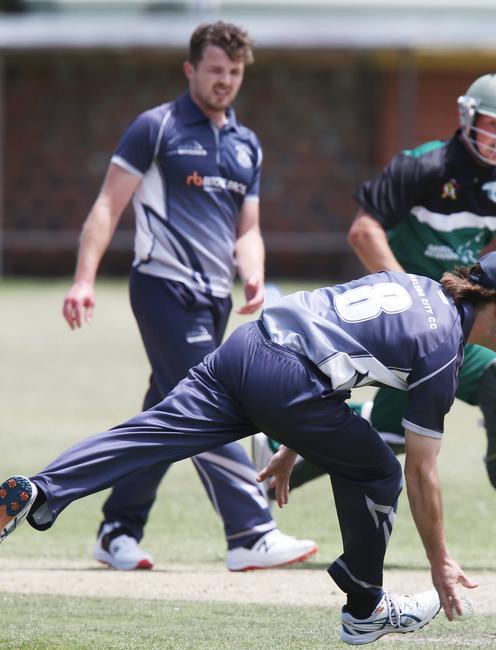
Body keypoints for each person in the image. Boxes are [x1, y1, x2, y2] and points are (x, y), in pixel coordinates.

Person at [3, 250, 496, 644]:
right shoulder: (443, 351)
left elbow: (343, 344)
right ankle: (366, 610)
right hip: (292, 380)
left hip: (250, 346)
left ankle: (38, 488)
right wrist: (440, 562)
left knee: (149, 433)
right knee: (379, 471)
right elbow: (422, 473)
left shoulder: (415, 287)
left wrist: (294, 441)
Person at [255, 73, 496, 561]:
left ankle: (271, 454)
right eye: (491, 126)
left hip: (461, 326)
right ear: (468, 118)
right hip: (407, 328)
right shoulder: (425, 166)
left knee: (391, 436)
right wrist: (406, 294)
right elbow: (363, 231)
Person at [60, 21, 316, 571]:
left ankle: (116, 530)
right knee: (211, 405)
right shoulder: (157, 128)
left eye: (235, 72)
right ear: (191, 69)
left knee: (166, 411)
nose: (225, 81)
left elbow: (247, 229)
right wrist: (84, 278)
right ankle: (250, 530)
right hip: (161, 290)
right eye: (216, 70)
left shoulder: (248, 145)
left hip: (213, 299)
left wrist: (253, 274)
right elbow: (108, 205)